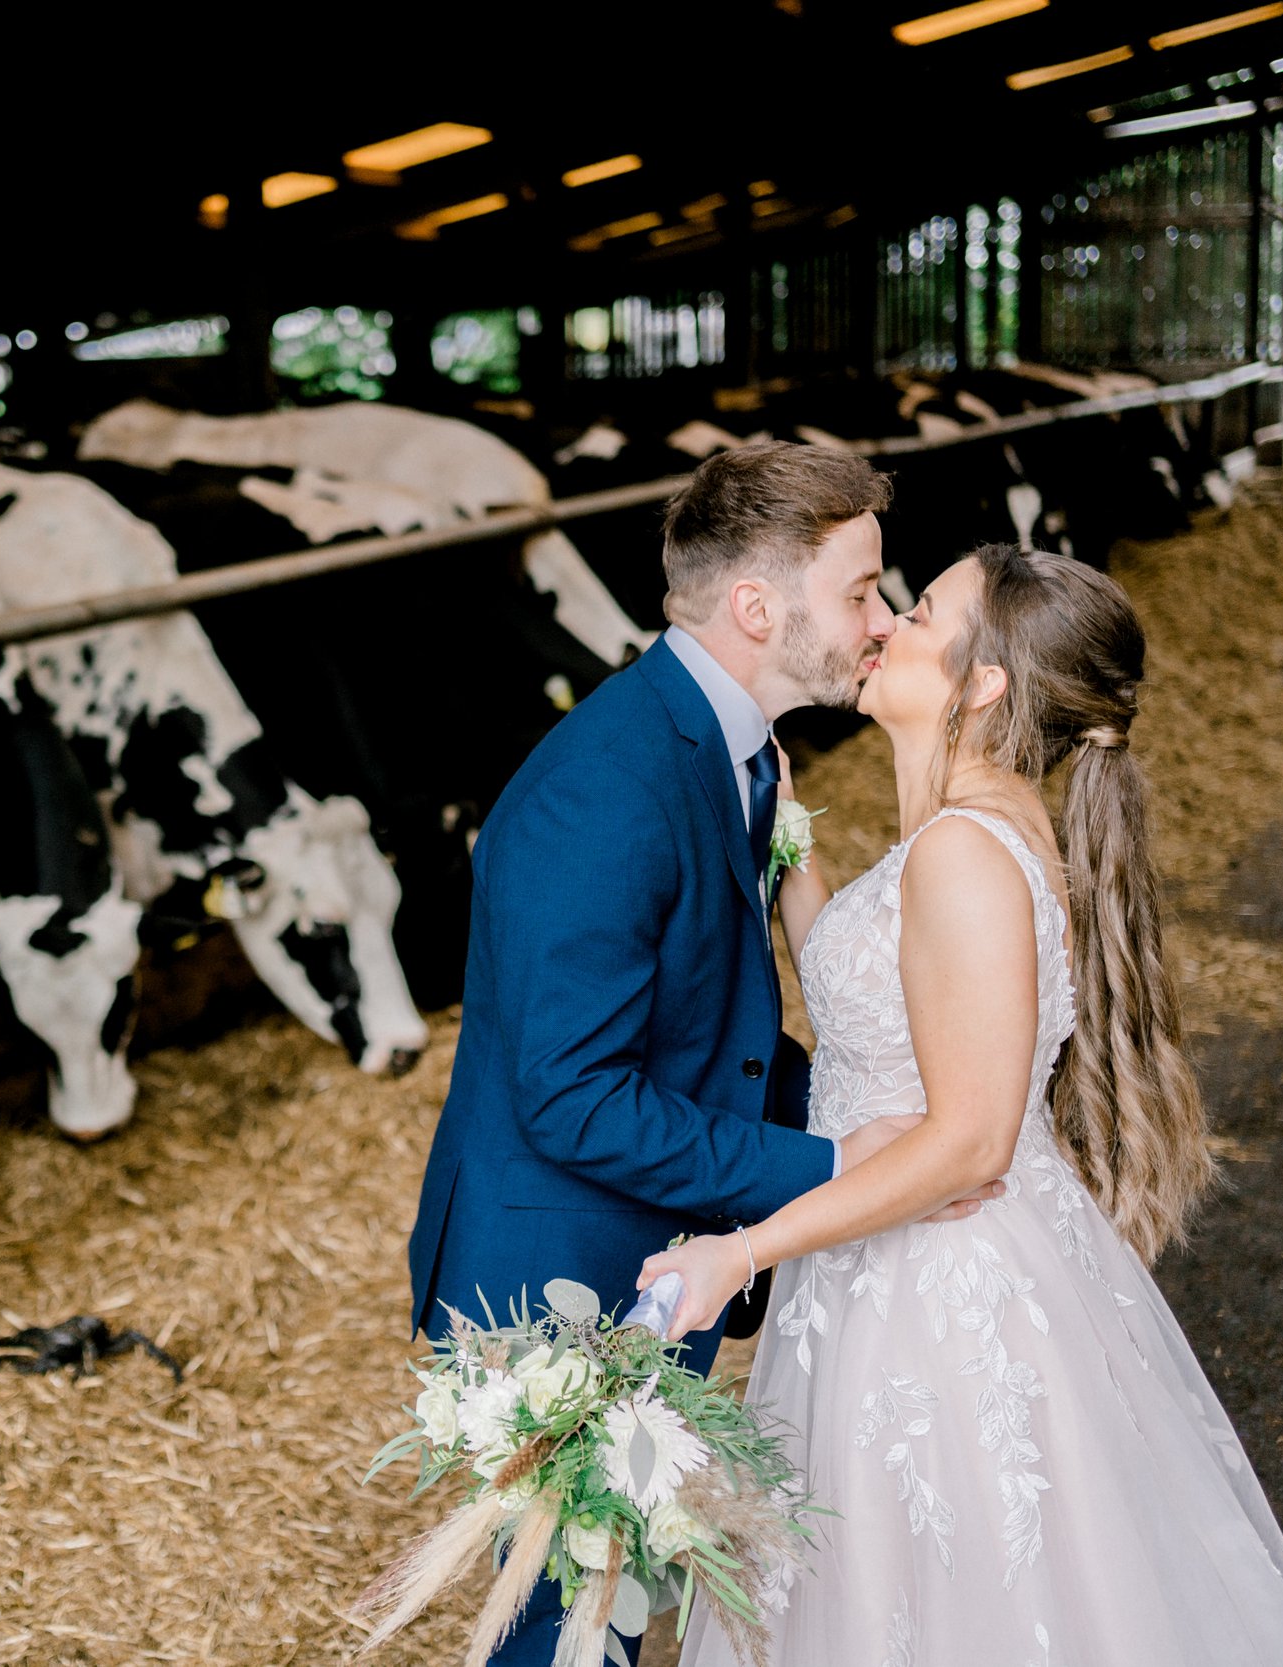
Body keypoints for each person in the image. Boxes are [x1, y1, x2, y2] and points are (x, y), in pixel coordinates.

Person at [640, 543, 1283, 1666]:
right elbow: (874, 1000)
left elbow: (967, 1141)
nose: (884, 624)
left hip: (932, 1287)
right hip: (877, 1261)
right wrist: (788, 835)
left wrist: (746, 1248)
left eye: (919, 612)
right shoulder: (958, 832)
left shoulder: (964, 852)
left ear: (981, 684)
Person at [403, 442, 998, 1667]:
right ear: (756, 608)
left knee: (611, 1609)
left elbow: (701, 1035)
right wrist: (828, 1158)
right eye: (861, 591)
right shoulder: (608, 785)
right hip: (555, 1277)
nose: (878, 621)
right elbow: (571, 1098)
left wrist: (886, 1131)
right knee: (562, 1635)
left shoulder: (727, 752)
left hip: (648, 1252)